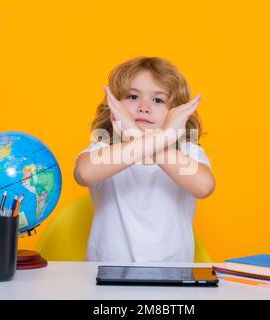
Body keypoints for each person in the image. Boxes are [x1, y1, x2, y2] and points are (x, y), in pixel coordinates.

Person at [74, 57, 215, 262]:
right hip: (107, 281)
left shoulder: (186, 152)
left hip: (171, 281)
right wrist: (159, 137)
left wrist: (138, 134)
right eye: (132, 97)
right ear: (114, 106)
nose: (143, 107)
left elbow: (204, 186)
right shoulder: (106, 148)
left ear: (176, 113)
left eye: (158, 100)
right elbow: (84, 173)